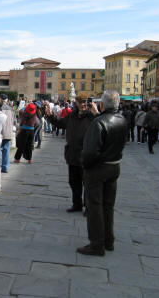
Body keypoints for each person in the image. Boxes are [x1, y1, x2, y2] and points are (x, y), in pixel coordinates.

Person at [78, 90, 128, 256]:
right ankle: (108, 240)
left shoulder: (99, 123)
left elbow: (90, 151)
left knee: (94, 206)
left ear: (102, 104)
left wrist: (85, 165)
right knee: (108, 205)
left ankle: (96, 244)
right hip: (115, 166)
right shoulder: (122, 119)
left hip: (98, 168)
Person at [46, 93, 98, 213]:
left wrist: (96, 113)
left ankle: (88, 207)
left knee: (88, 183)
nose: (83, 104)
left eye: (85, 102)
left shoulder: (92, 117)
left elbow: (103, 125)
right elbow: (59, 123)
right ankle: (77, 204)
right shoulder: (72, 116)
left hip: (87, 156)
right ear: (77, 104)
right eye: (81, 102)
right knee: (74, 182)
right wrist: (50, 115)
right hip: (73, 155)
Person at [0, 96, 16, 173]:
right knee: (6, 150)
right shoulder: (11, 109)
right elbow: (15, 121)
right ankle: (5, 167)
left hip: (0, 132)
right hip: (8, 132)